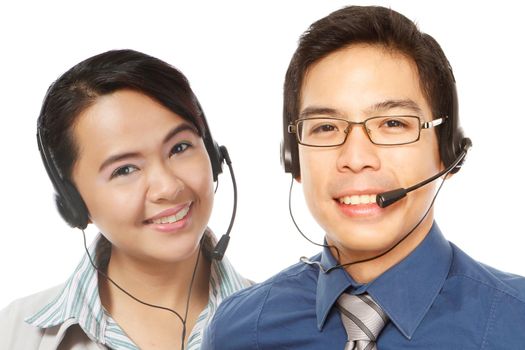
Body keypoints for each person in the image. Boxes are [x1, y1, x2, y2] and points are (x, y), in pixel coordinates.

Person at [202, 5, 525, 349]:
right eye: (326, 127)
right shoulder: (238, 331)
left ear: (447, 152)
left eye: (393, 124)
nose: (356, 159)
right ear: (292, 158)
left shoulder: (516, 321)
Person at [0, 49, 251, 350]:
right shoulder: (13, 335)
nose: (168, 188)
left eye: (180, 148)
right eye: (125, 169)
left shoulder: (288, 322)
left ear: (211, 152)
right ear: (74, 203)